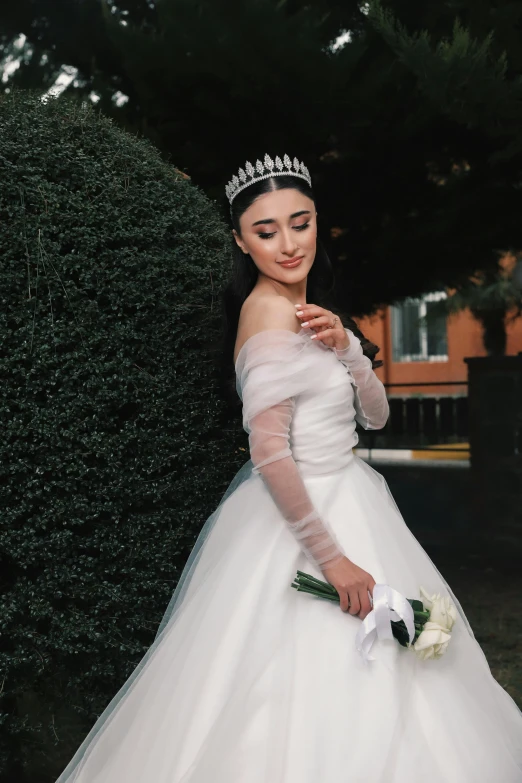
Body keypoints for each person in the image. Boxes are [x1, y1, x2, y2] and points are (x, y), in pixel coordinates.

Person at [55, 154, 522, 783]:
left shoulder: (313, 313)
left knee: (407, 684)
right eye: (266, 230)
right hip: (303, 524)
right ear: (241, 242)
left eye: (298, 223)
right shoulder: (267, 314)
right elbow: (270, 453)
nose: (287, 243)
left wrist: (350, 349)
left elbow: (377, 418)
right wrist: (333, 560)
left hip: (356, 498)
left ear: (316, 224)